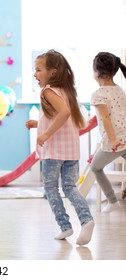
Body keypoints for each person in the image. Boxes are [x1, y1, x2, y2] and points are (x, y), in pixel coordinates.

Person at [26, 49, 95, 245]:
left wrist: (46, 134)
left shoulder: (47, 91)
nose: (35, 74)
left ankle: (65, 225)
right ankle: (86, 220)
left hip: (54, 151)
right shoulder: (67, 91)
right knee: (70, 188)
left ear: (53, 72)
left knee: (50, 188)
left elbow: (63, 113)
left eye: (38, 70)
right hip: (70, 150)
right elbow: (62, 118)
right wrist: (38, 124)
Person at [89, 52, 126, 213]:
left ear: (97, 72)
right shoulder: (119, 90)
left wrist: (111, 140)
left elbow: (105, 117)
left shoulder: (99, 94)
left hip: (117, 139)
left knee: (95, 167)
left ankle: (112, 201)